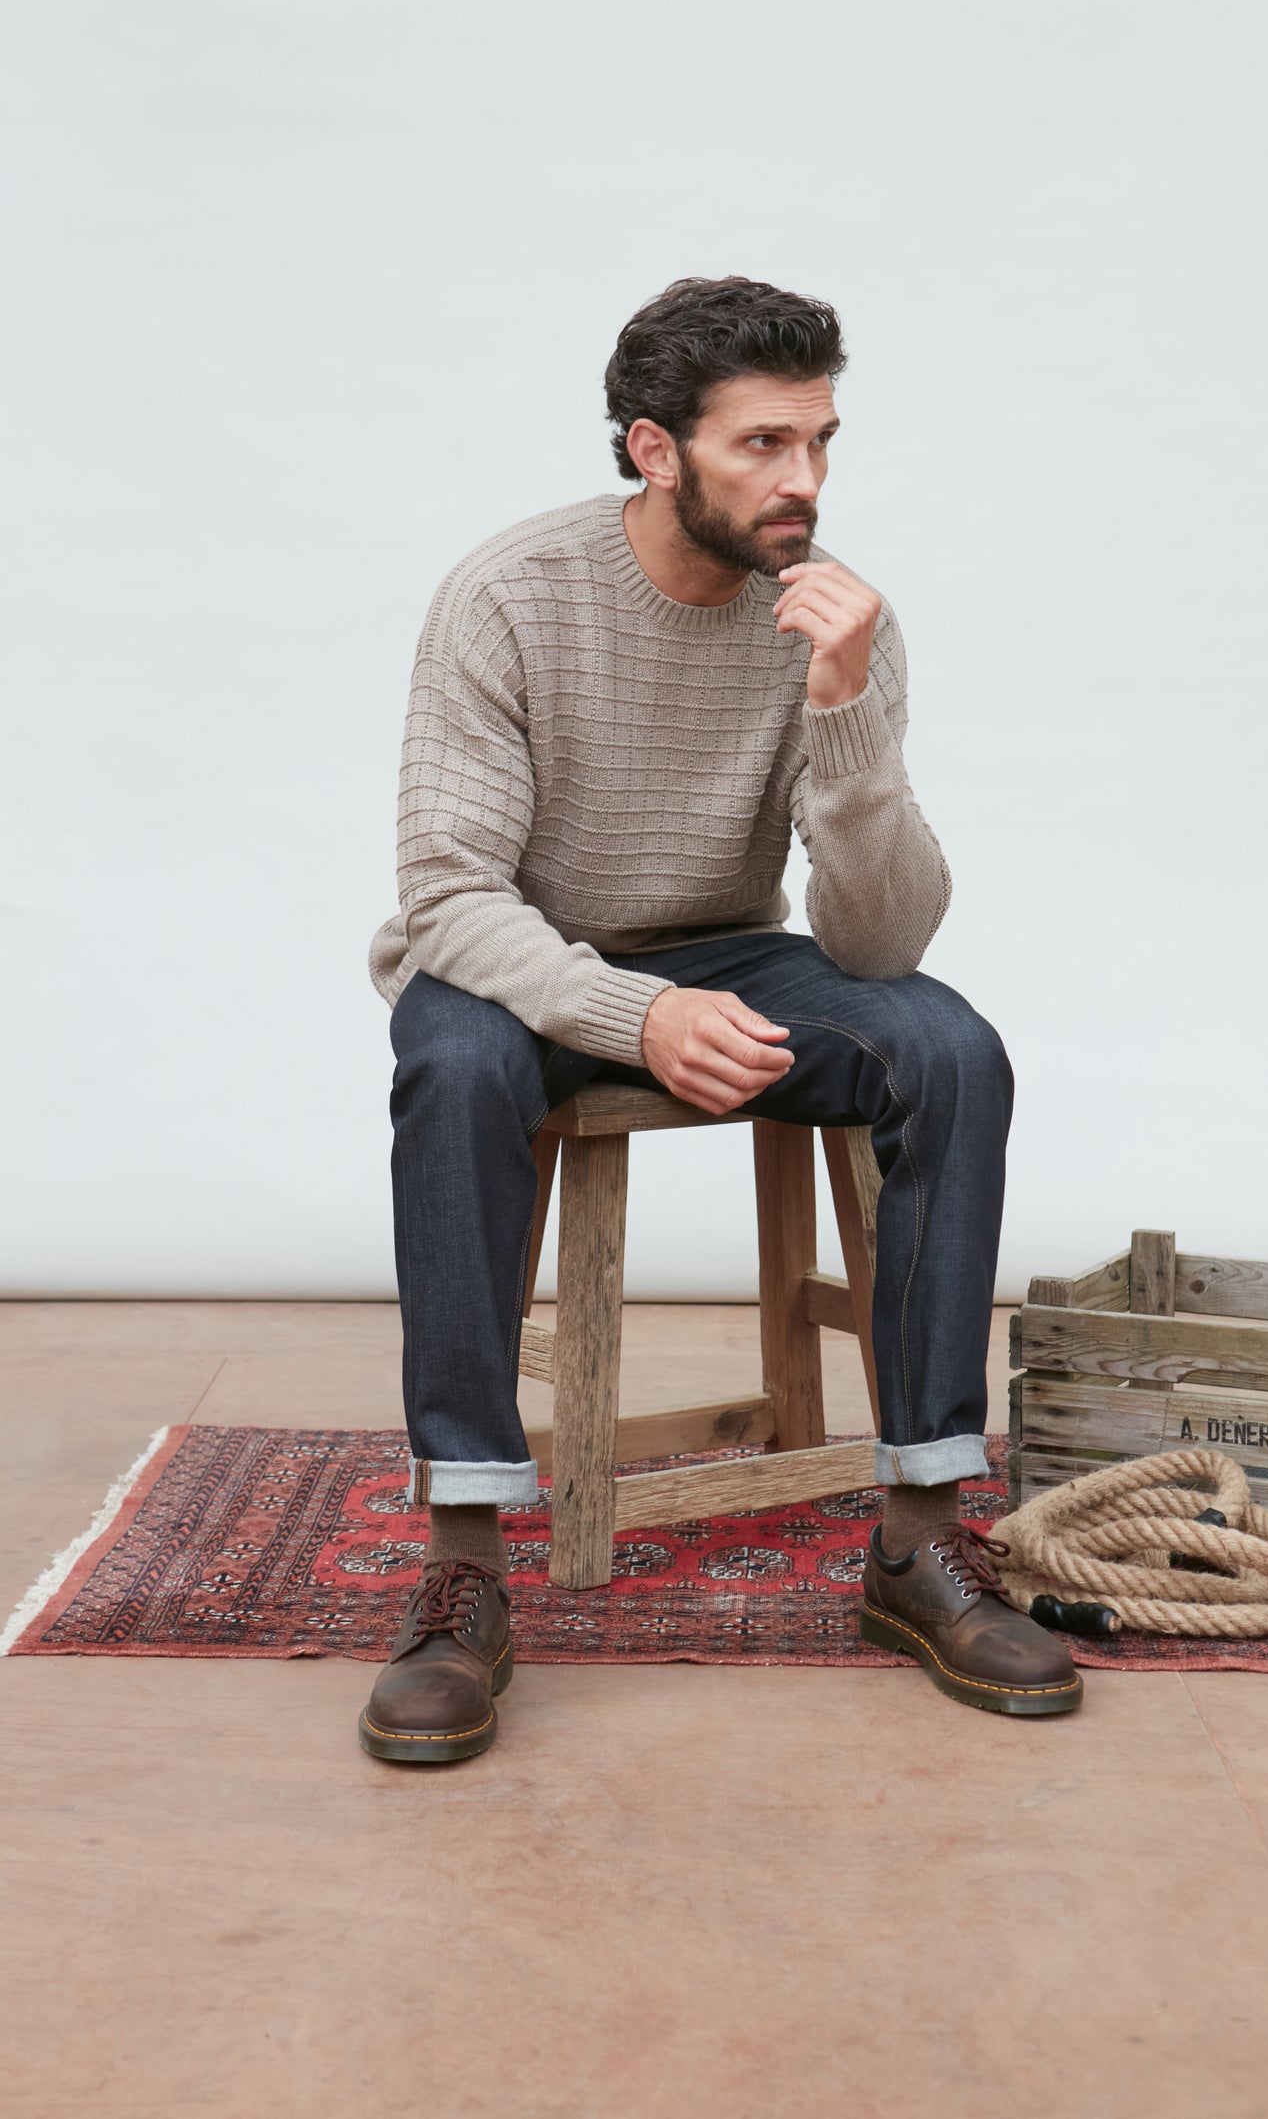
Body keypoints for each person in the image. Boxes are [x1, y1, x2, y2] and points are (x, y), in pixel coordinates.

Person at [358, 276, 1081, 1762]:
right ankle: (465, 1568)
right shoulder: (508, 596)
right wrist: (637, 1015)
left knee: (948, 1046)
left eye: (820, 442)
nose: (803, 480)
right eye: (763, 443)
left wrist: (847, 708)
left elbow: (879, 942)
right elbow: (448, 897)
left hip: (733, 949)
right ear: (655, 449)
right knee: (453, 1066)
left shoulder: (838, 616)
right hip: (516, 960)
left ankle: (918, 1538)